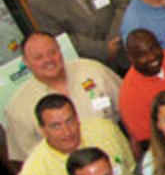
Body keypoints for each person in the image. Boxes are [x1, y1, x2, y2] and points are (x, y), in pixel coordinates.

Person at [17, 94, 134, 175]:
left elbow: (130, 167)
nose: (67, 132)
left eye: (70, 121)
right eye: (56, 126)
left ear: (78, 118)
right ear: (43, 130)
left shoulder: (106, 130)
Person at [5, 32, 121, 164]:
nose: (48, 60)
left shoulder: (92, 70)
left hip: (117, 159)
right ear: (26, 62)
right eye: (39, 57)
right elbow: (24, 162)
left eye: (52, 52)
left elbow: (128, 107)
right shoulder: (18, 108)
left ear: (60, 50)